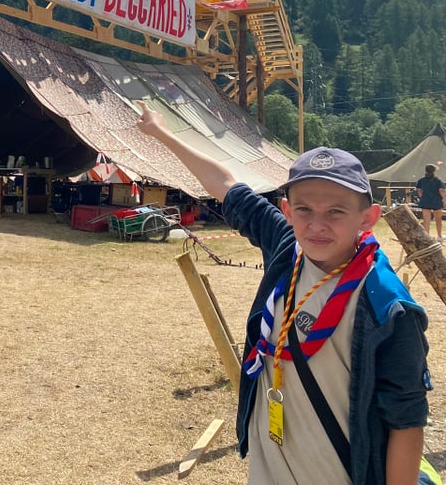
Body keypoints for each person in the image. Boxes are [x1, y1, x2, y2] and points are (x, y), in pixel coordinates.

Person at [137, 101, 430, 485]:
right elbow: (225, 185)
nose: (318, 225)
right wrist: (162, 134)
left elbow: (405, 424)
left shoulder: (388, 307)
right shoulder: (285, 247)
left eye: (337, 211)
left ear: (368, 217)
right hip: (269, 468)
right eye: (305, 209)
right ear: (288, 211)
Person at [415, 163, 446, 240]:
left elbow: (419, 191)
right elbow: (441, 191)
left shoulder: (421, 180)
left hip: (425, 201)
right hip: (436, 201)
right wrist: (445, 199)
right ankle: (439, 235)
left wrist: (423, 198)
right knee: (438, 219)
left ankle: (427, 236)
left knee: (426, 219)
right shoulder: (438, 180)